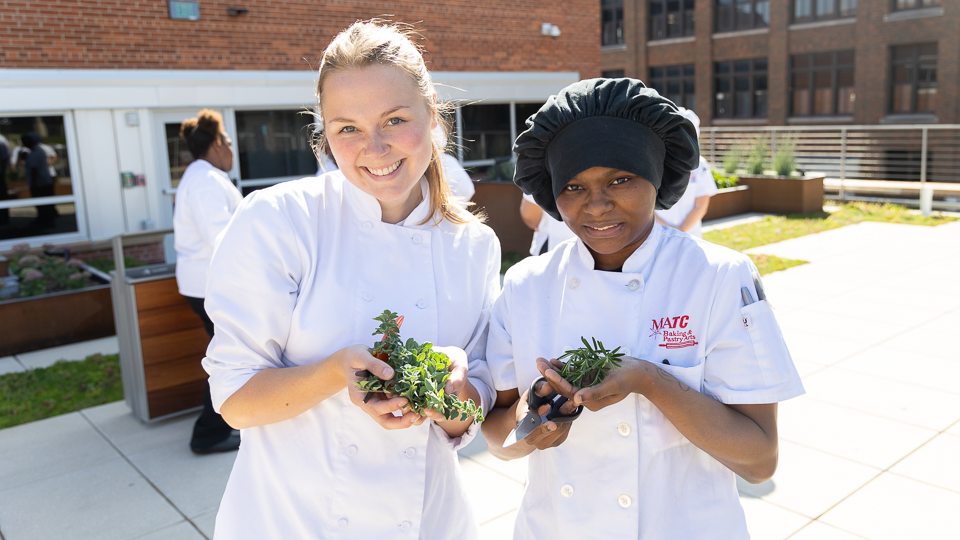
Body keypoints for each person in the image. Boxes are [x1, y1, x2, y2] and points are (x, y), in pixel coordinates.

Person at [201, 21, 500, 539]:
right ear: (325, 135)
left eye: (395, 119)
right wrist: (338, 372)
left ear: (431, 113)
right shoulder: (278, 221)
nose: (375, 148)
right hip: (293, 520)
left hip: (429, 519)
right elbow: (234, 400)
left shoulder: (474, 245)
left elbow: (472, 408)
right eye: (348, 129)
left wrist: (451, 393)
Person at [482, 78, 805, 539]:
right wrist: (530, 428)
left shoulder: (716, 276)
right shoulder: (526, 284)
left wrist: (649, 381)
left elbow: (759, 460)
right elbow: (497, 436)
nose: (596, 206)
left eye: (620, 179)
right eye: (573, 186)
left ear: (656, 176)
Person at [172, 109, 243, 455]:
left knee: (225, 353)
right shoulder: (205, 181)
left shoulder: (204, 176)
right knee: (225, 355)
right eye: (228, 142)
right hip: (207, 285)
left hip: (202, 283)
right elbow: (221, 237)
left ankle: (216, 428)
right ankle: (208, 434)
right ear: (216, 143)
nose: (232, 149)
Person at [654, 108, 718, 238]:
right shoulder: (654, 162)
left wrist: (681, 231)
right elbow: (646, 205)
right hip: (658, 234)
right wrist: (668, 231)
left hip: (691, 235)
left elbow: (701, 205)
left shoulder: (700, 165)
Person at [22, 132, 58, 226]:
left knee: (42, 203)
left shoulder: (35, 153)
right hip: (44, 181)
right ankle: (46, 219)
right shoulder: (38, 150)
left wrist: (33, 184)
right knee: (46, 203)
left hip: (40, 183)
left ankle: (45, 220)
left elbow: (34, 169)